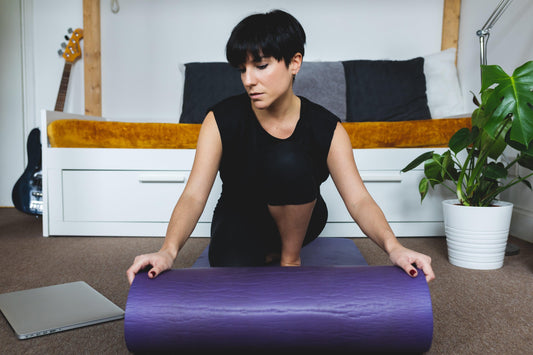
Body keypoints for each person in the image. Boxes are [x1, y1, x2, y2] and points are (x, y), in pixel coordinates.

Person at [127, 10, 435, 284]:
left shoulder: (326, 126)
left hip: (301, 217)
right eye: (242, 69)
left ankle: (289, 258)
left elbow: (358, 200)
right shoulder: (220, 119)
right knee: (231, 268)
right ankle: (264, 253)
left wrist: (394, 247)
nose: (249, 80)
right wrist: (167, 251)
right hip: (240, 216)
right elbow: (194, 195)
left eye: (261, 66)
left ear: (294, 63)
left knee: (288, 157)